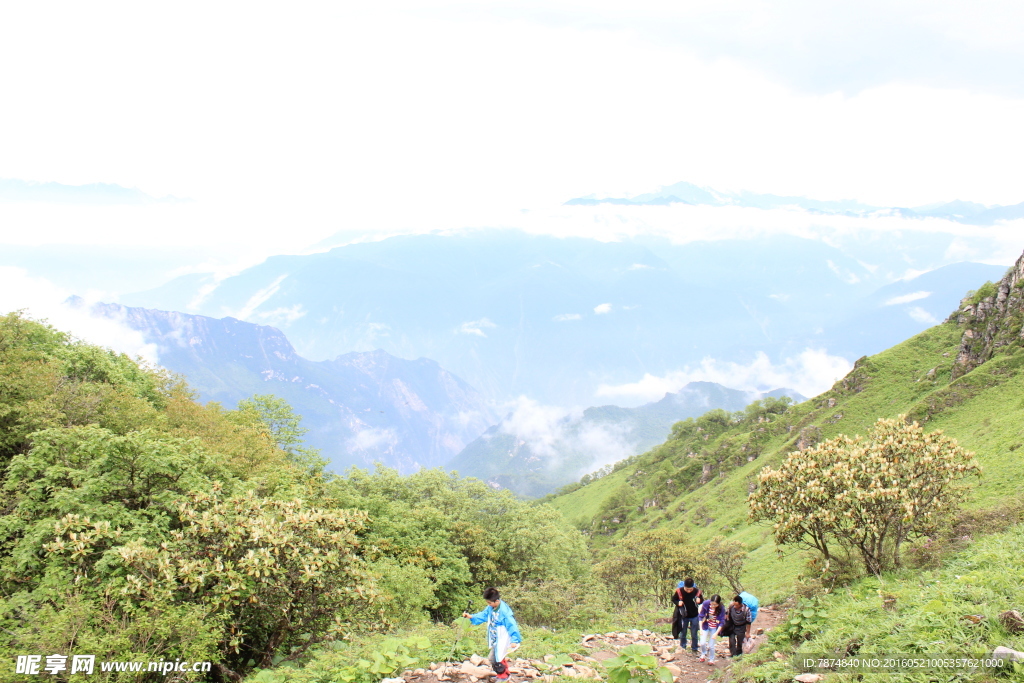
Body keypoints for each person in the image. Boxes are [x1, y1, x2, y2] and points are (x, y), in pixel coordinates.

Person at [464, 587, 522, 680]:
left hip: (503, 637)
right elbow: (484, 615)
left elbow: (512, 626)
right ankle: (504, 675)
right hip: (495, 637)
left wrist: (514, 640)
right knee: (499, 657)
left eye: (490, 603)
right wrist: (471, 617)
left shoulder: (504, 612)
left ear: (497, 601)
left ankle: (503, 677)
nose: (489, 605)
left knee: (494, 658)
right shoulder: (491, 608)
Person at [670, 578, 703, 655]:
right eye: (687, 589)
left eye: (690, 589)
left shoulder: (697, 592)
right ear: (684, 586)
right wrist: (678, 603)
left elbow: (702, 600)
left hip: (694, 615)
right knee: (683, 632)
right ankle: (683, 647)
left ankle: (694, 648)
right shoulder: (679, 591)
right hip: (684, 615)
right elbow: (673, 599)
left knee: (694, 633)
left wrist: (699, 600)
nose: (688, 591)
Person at [697, 594, 725, 665]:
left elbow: (722, 622)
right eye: (712, 604)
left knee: (711, 645)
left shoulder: (721, 608)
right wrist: (700, 628)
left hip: (714, 627)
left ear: (718, 604)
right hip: (705, 626)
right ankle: (703, 653)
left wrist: (716, 633)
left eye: (715, 605)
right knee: (702, 642)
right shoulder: (706, 604)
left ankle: (711, 659)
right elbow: (701, 616)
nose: (713, 606)